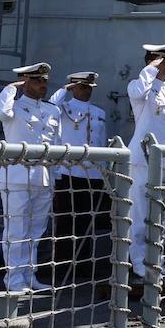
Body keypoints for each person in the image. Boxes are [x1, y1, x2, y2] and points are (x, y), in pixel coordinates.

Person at [0, 62, 62, 292]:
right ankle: (13, 281)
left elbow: (58, 145)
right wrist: (12, 87)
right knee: (16, 229)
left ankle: (29, 276)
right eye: (37, 80)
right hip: (16, 174)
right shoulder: (12, 107)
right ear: (25, 83)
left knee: (36, 230)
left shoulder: (53, 110)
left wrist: (54, 176)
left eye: (44, 80)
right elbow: (0, 112)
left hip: (43, 176)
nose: (43, 84)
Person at [127, 43, 165, 280]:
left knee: (161, 217)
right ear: (153, 61)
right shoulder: (139, 88)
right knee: (139, 214)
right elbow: (139, 91)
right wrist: (151, 68)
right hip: (143, 160)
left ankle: (156, 262)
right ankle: (139, 262)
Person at [49, 71, 109, 281]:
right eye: (82, 87)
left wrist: (104, 174)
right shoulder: (62, 108)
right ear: (74, 88)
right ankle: (64, 267)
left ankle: (83, 266)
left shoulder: (99, 112)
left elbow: (101, 143)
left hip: (92, 174)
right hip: (68, 172)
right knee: (66, 222)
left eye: (89, 87)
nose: (87, 91)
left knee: (86, 222)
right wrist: (65, 88)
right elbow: (50, 105)